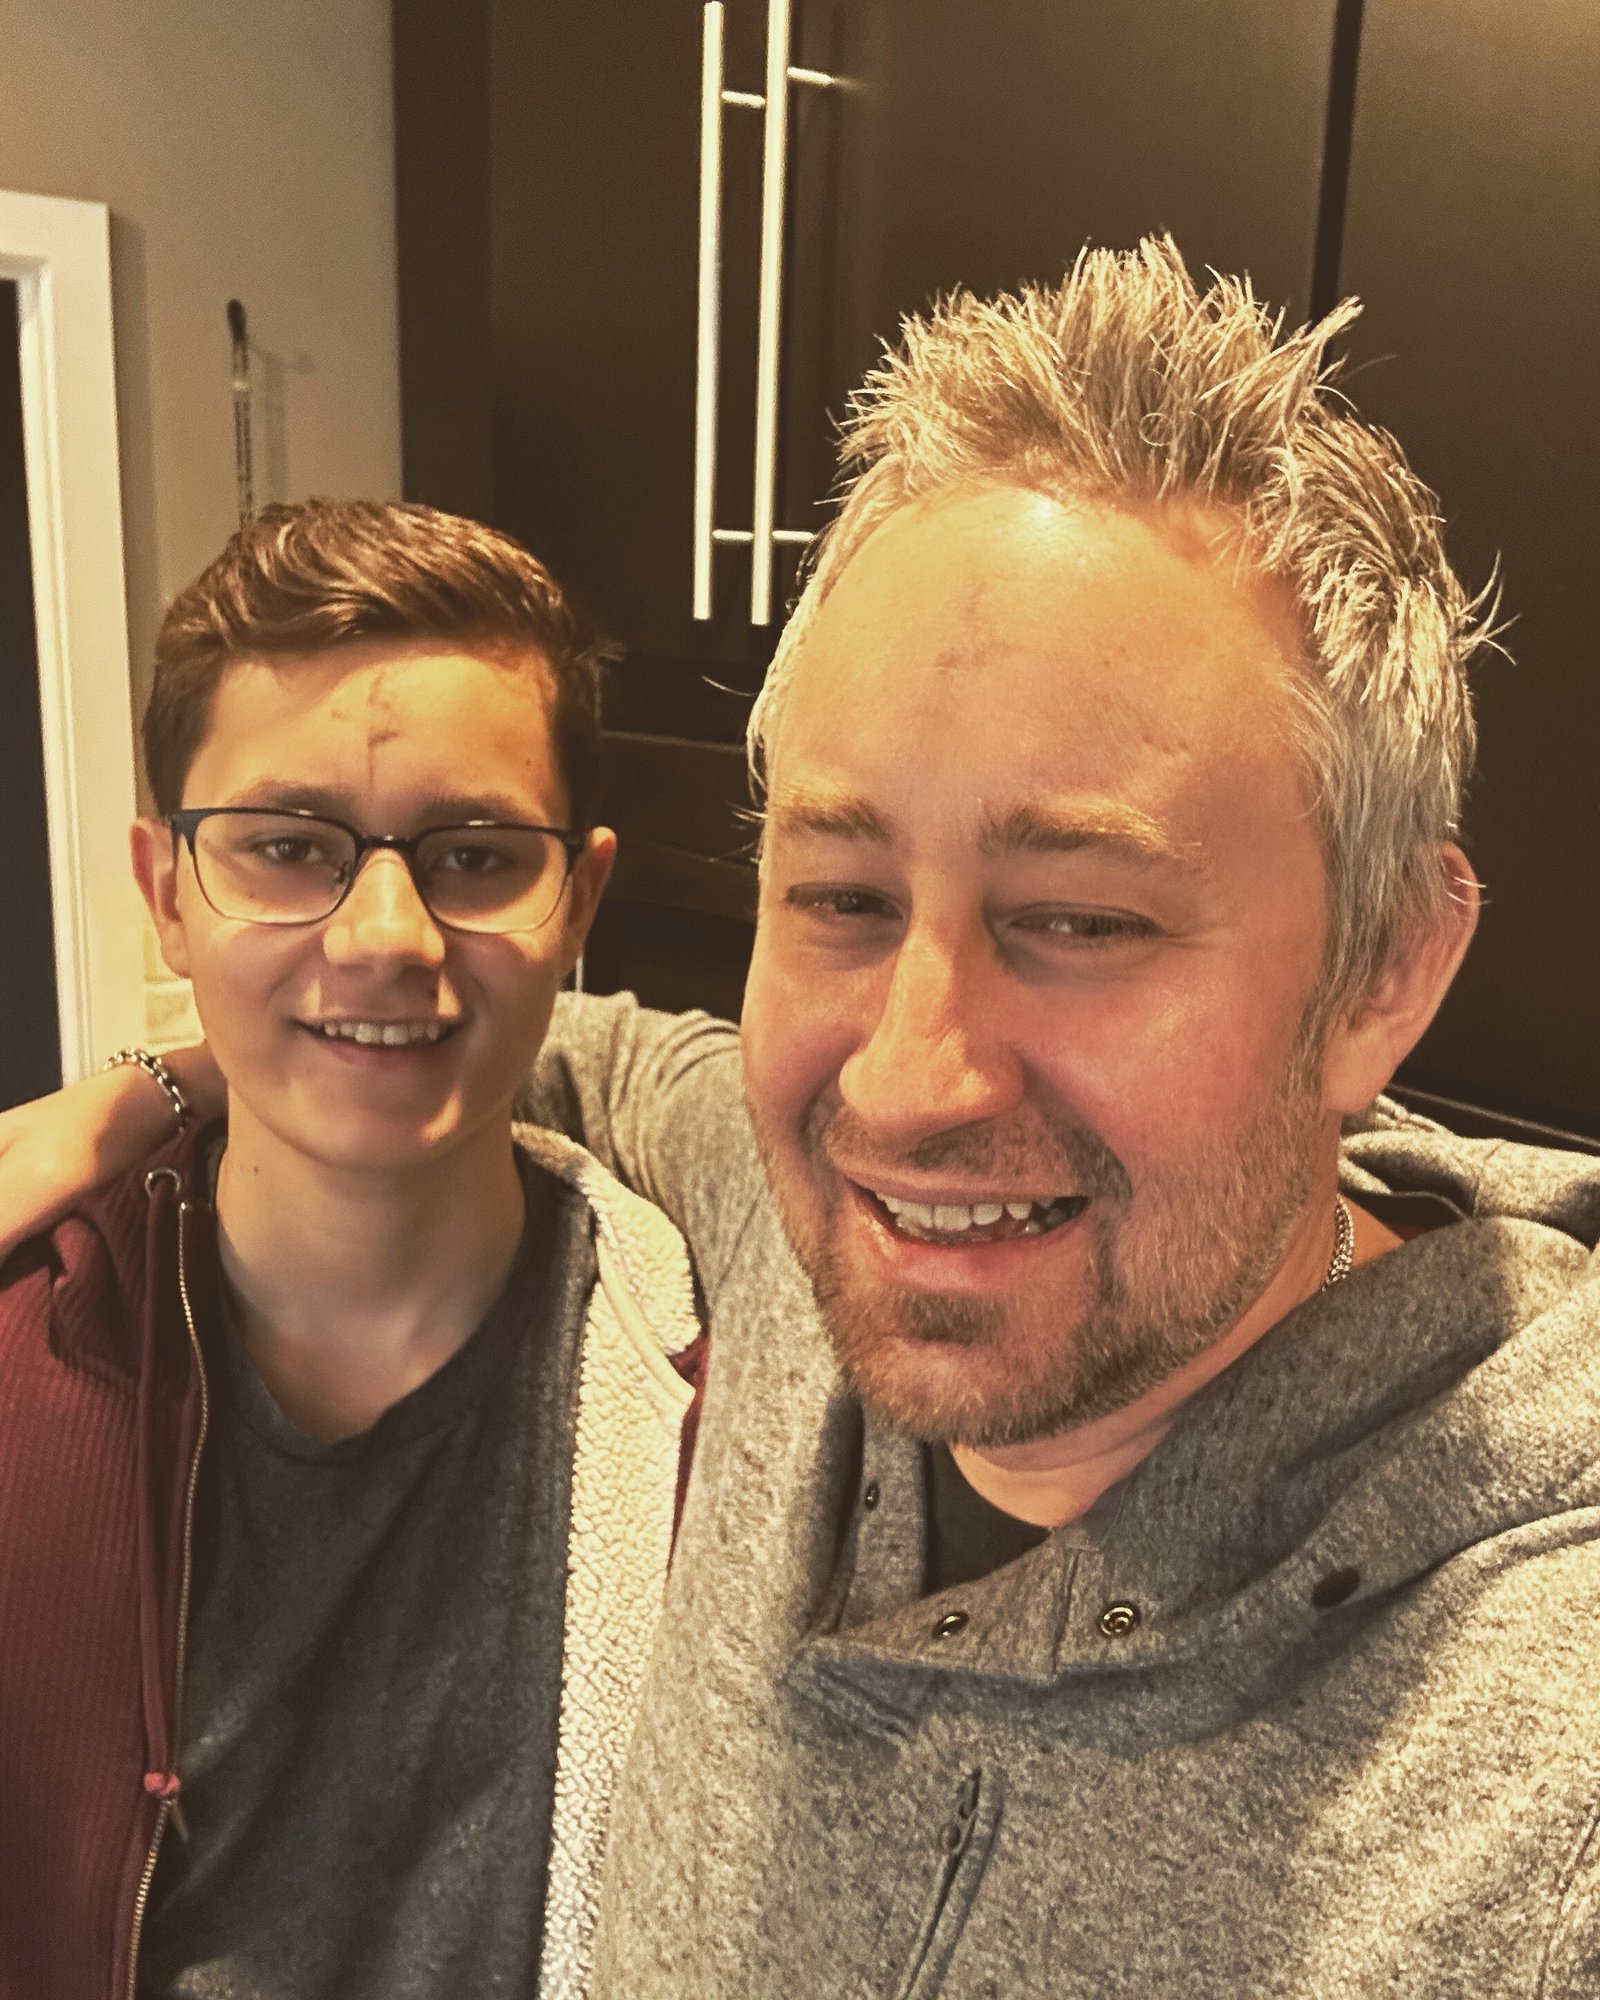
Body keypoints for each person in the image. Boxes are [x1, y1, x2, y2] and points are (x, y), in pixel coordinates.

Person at [6, 239, 1599, 1995]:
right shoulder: (782, 1226)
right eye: (840, 897)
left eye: (1079, 921)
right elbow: (510, 1026)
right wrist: (142, 1093)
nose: (908, 1092)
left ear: (1384, 971)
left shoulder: (1539, 1776)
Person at [0, 500, 707, 2000]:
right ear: (165, 893)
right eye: (284, 848)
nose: (387, 932)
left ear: (578, 898)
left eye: (471, 856)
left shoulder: (732, 1412)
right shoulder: (18, 1378)